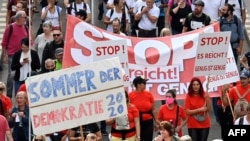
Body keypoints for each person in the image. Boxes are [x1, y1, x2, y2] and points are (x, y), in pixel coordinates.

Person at [1, 10, 29, 98]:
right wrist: (5, 55)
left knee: (24, 74)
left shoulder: (26, 27)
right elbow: (4, 42)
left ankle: (22, 94)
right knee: (11, 75)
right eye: (25, 17)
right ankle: (9, 95)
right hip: (12, 54)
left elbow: (28, 40)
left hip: (23, 54)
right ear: (19, 18)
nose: (26, 19)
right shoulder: (10, 27)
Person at [129, 76, 159, 141]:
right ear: (138, 85)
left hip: (148, 121)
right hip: (136, 121)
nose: (145, 84)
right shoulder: (130, 95)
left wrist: (156, 121)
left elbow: (153, 109)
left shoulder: (149, 94)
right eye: (144, 83)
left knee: (148, 139)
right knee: (137, 139)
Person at [184, 77, 212, 141]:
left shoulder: (205, 94)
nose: (195, 86)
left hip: (204, 123)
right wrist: (200, 110)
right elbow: (187, 112)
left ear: (200, 86)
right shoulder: (188, 96)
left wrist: (208, 99)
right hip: (193, 124)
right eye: (194, 85)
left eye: (197, 84)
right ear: (191, 86)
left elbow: (209, 109)